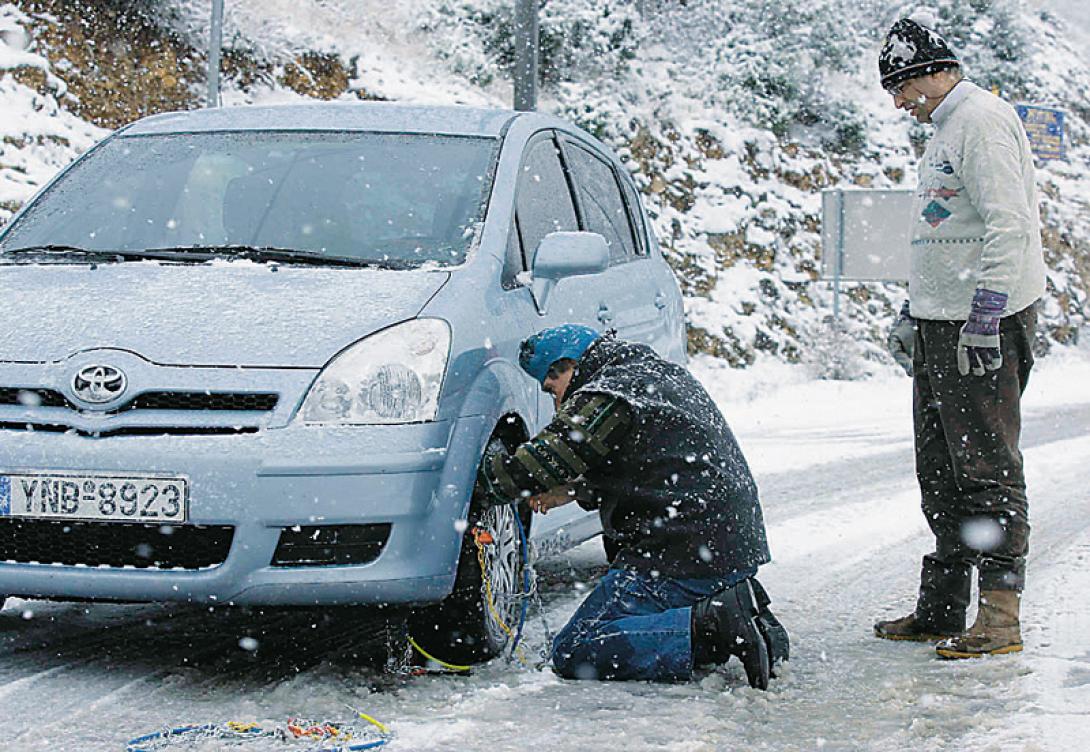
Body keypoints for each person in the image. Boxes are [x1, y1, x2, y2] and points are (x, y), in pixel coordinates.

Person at [477, 324, 788, 688]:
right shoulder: (654, 375)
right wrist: (575, 490)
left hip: (679, 552)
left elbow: (539, 463)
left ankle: (715, 624)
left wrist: (478, 476)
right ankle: (745, 611)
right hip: (727, 546)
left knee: (576, 648)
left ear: (568, 365)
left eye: (552, 388)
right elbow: (652, 465)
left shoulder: (606, 393)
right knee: (617, 629)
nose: (556, 403)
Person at [874, 16, 1046, 659]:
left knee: (985, 467)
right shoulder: (947, 129)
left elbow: (1009, 224)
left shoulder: (981, 121)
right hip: (940, 322)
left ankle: (999, 616)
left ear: (935, 73)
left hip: (980, 324)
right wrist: (914, 308)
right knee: (941, 468)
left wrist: (986, 313)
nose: (899, 102)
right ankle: (942, 605)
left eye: (902, 87)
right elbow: (946, 231)